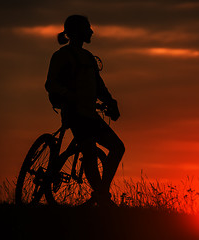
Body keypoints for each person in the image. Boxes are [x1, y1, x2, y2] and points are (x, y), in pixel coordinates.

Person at [45, 15, 125, 206]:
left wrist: (111, 102)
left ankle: (101, 192)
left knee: (117, 147)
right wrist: (68, 95)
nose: (91, 32)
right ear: (76, 31)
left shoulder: (88, 57)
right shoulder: (61, 56)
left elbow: (99, 86)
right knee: (89, 152)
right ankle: (103, 198)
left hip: (89, 113)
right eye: (87, 28)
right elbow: (51, 84)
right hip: (74, 113)